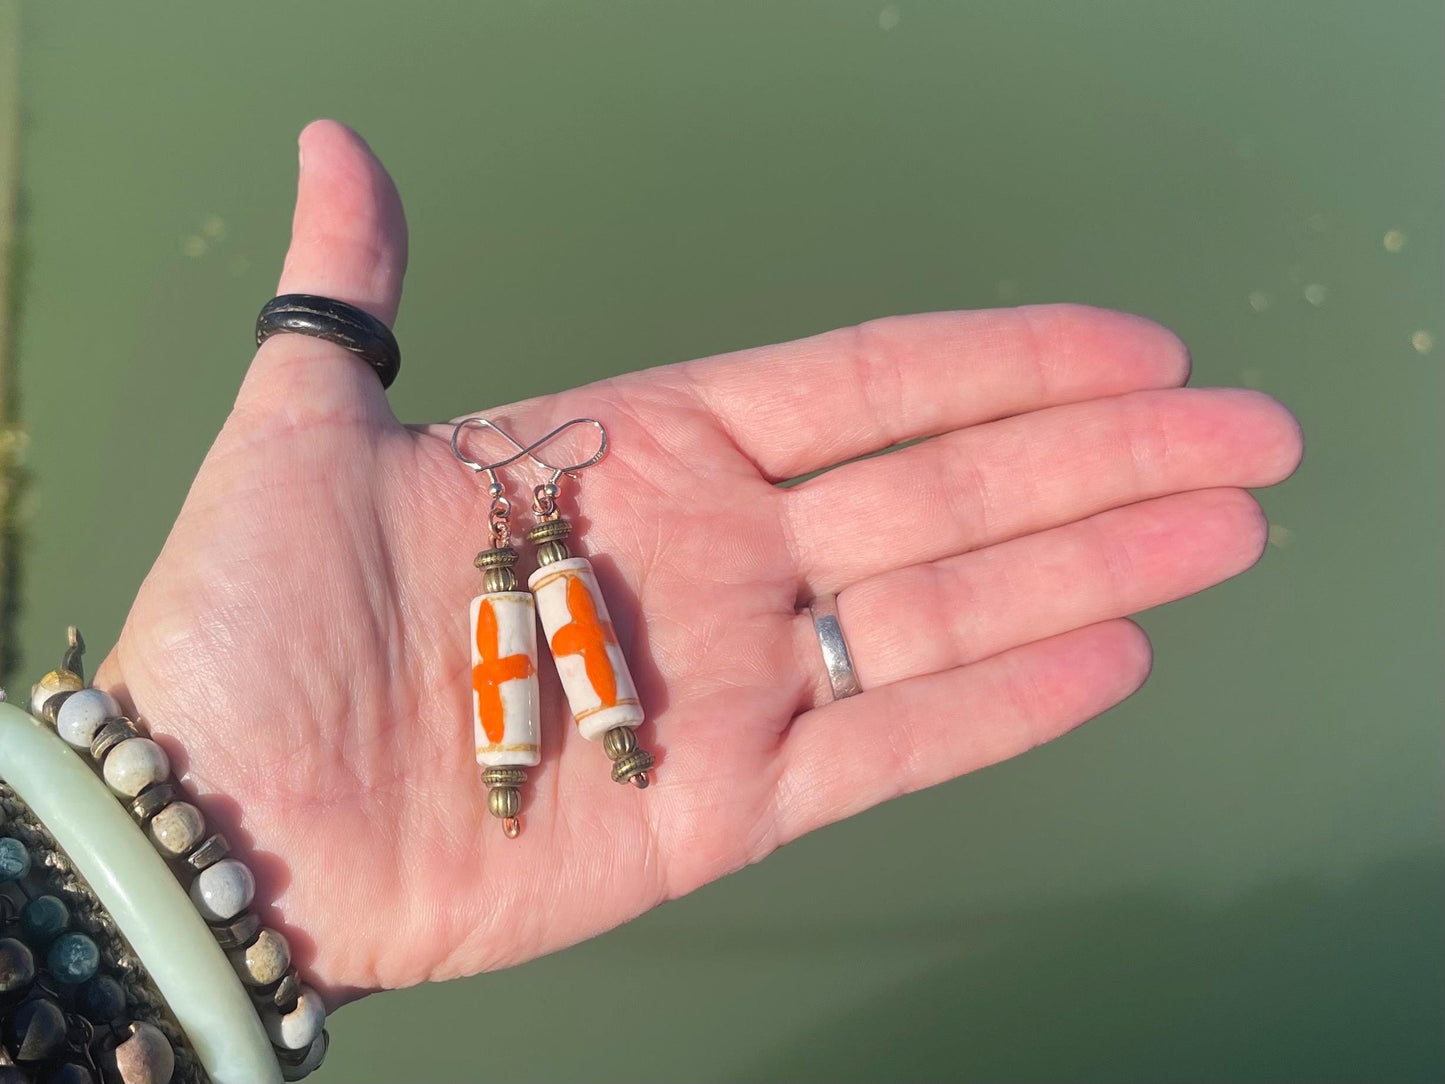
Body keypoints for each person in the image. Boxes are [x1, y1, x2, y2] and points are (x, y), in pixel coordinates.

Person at [88, 119, 1303, 1005]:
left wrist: (139, 862)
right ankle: (554, 757)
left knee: (566, 662)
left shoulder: (544, 577)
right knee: (549, 666)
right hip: (234, 919)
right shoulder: (529, 585)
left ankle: (560, 754)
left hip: (210, 919)